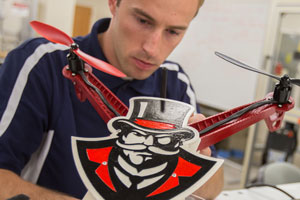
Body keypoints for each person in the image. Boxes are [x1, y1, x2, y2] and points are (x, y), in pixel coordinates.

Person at [0, 0, 224, 199]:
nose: (152, 49)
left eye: (173, 32)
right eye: (143, 21)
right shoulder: (43, 64)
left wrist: (197, 165)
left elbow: (214, 186)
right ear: (113, 3)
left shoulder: (175, 81)